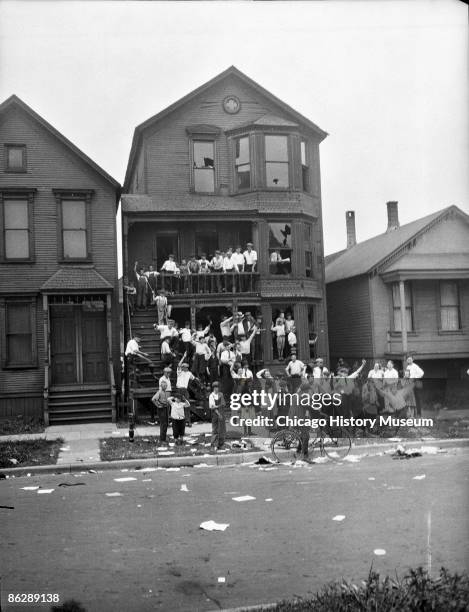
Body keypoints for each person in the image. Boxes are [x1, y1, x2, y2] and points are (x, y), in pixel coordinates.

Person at [208, 382, 226, 450]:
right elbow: (212, 407)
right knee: (215, 430)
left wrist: (218, 406)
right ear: (213, 388)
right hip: (215, 414)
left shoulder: (221, 394)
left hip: (222, 413)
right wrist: (219, 413)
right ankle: (213, 444)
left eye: (218, 387)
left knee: (222, 430)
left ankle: (220, 445)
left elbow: (224, 403)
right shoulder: (211, 396)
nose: (217, 389)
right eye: (215, 387)